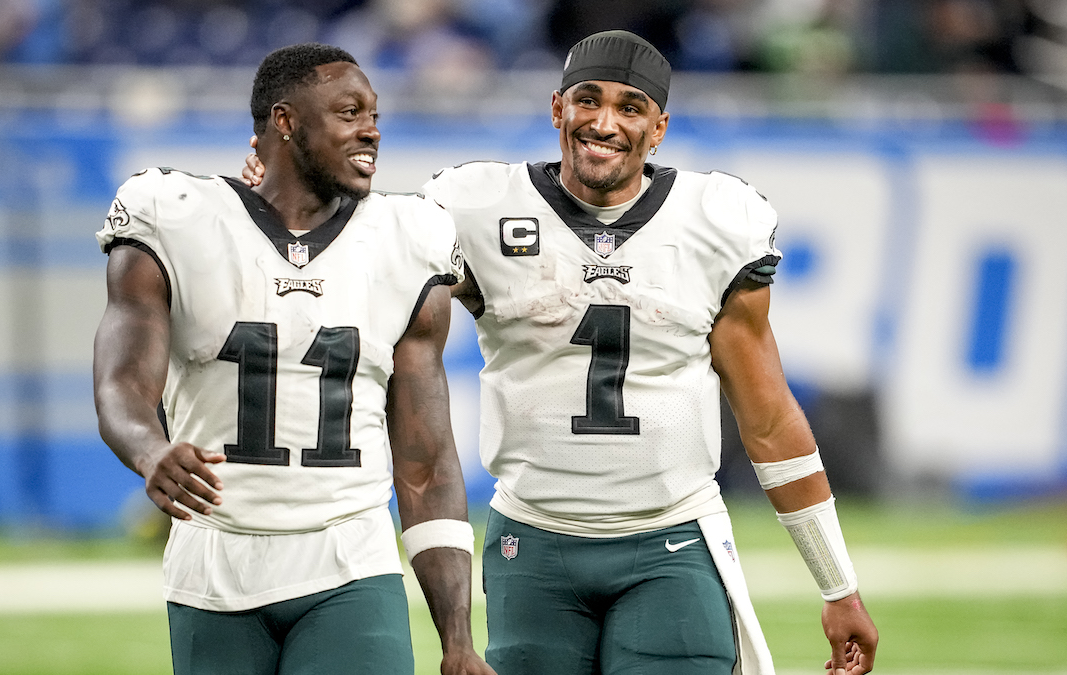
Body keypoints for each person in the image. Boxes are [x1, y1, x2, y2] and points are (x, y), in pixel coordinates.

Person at [244, 31, 878, 675]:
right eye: (588, 101)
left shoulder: (715, 219)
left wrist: (837, 585)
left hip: (672, 537)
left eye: (630, 108)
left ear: (658, 129)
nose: (604, 123)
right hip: (534, 544)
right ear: (557, 109)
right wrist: (282, 184)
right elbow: (361, 254)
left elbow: (768, 420)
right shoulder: (477, 208)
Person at [93, 43, 494, 675]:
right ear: (285, 121)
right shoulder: (178, 216)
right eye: (348, 111)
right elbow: (121, 383)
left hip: (349, 558)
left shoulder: (406, 239)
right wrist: (150, 451)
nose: (371, 129)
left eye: (375, 113)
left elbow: (426, 463)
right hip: (213, 563)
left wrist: (458, 639)